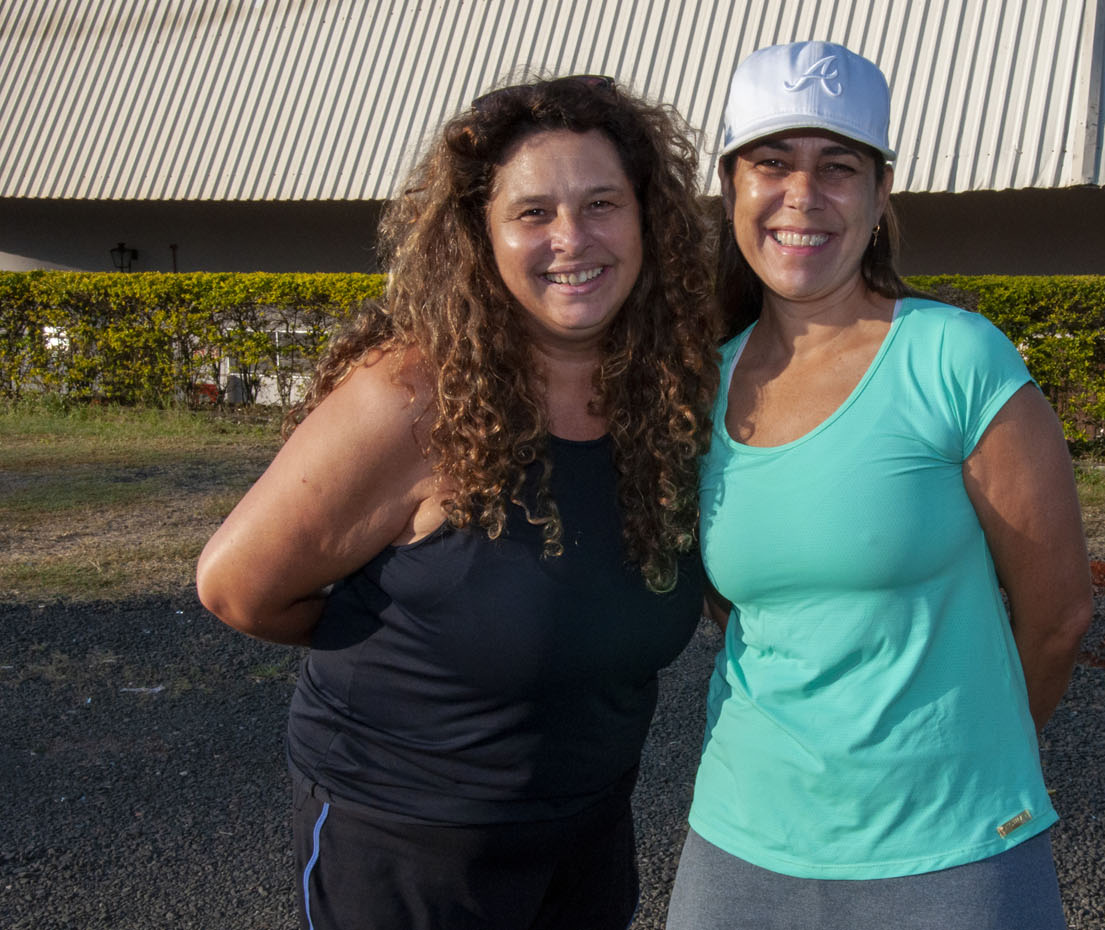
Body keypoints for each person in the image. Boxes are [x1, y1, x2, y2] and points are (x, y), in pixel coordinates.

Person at [196, 74, 718, 930]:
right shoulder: (411, 398)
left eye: (601, 204)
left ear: (647, 220)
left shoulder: (672, 396)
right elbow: (236, 587)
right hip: (404, 843)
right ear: (482, 234)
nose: (572, 238)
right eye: (533, 212)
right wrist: (399, 640)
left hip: (587, 829)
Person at [665, 42, 1093, 930]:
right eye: (771, 163)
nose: (802, 195)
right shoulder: (700, 386)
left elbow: (1057, 616)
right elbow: (735, 603)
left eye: (838, 167)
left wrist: (970, 769)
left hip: (952, 856)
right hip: (740, 849)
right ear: (732, 186)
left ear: (880, 192)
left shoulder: (956, 357)